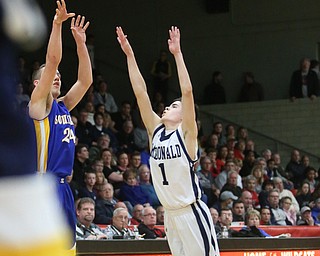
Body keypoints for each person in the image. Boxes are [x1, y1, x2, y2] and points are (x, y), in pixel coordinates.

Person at [116, 26, 219, 256]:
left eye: (174, 106)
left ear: (184, 116)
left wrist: (177, 55)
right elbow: (140, 93)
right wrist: (129, 55)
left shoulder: (187, 135)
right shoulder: (156, 132)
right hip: (170, 215)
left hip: (191, 212)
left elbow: (188, 92)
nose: (166, 107)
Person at [28, 0, 92, 248]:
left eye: (59, 77)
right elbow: (53, 60)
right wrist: (57, 25)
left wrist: (81, 44)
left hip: (64, 187)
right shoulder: (38, 105)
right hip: (42, 186)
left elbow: (84, 81)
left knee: (67, 249)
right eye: (50, 76)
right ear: (37, 84)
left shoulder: (63, 105)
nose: (56, 77)